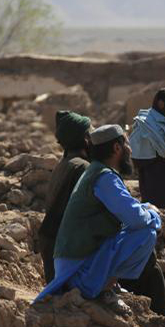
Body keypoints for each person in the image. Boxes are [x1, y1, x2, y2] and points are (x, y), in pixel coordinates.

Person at [34, 124, 165, 316]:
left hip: (78, 262)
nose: (130, 150)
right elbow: (135, 219)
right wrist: (155, 217)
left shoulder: (98, 172)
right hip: (78, 273)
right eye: (127, 144)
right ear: (117, 148)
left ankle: (107, 284)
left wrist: (145, 209)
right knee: (146, 233)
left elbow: (128, 208)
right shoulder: (104, 177)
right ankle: (105, 287)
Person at [38, 111, 91, 283]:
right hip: (66, 256)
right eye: (90, 134)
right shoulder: (82, 168)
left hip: (53, 251)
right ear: (85, 139)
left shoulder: (65, 164)